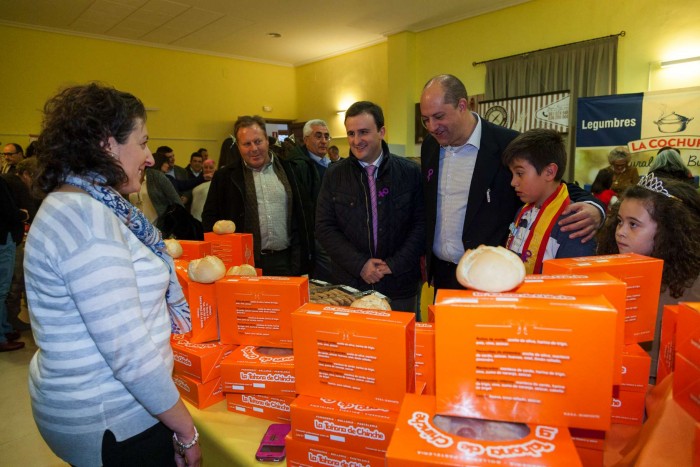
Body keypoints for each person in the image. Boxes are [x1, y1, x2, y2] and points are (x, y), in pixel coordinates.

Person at [23, 83, 201, 466]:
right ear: (107, 145)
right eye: (143, 142)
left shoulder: (78, 203)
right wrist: (186, 431)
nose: (150, 158)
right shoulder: (87, 219)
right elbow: (130, 355)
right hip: (114, 420)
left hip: (91, 405)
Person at [419, 74, 604, 290]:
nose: (432, 127)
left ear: (462, 105)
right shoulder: (430, 147)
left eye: (439, 116)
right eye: (425, 120)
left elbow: (553, 183)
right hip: (441, 272)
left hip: (490, 276)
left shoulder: (506, 143)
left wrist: (595, 207)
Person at [316, 101, 424, 314]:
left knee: (400, 344)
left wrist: (394, 264)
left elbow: (421, 225)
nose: (356, 141)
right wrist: (360, 265)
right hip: (351, 284)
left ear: (381, 131)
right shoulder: (334, 175)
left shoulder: (410, 172)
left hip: (399, 284)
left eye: (363, 132)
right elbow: (324, 228)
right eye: (351, 133)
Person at [597, 174, 700, 383]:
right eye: (619, 222)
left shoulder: (691, 286)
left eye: (633, 224)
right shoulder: (612, 269)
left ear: (667, 230)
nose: (621, 232)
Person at [202, 115, 315, 276]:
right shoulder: (225, 177)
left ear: (267, 141)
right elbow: (209, 218)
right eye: (246, 144)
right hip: (243, 264)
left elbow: (305, 214)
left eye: (258, 141)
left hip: (286, 260)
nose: (254, 148)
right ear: (238, 146)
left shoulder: (291, 170)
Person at [503, 129, 597, 273]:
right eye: (512, 174)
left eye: (520, 173)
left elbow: (572, 285)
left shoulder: (574, 225)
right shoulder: (522, 211)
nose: (513, 182)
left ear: (549, 172)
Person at [0, 176, 28, 352]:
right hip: (3, 237)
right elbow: (6, 211)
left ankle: (5, 328)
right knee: (1, 290)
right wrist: (23, 214)